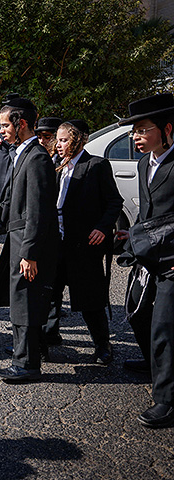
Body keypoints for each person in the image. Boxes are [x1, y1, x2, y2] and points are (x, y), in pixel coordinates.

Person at [0, 98, 58, 382]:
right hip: (18, 238)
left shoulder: (37, 157)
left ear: (21, 124)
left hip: (28, 243)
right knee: (19, 299)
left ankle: (26, 364)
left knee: (26, 300)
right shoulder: (22, 153)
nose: (1, 131)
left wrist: (30, 252)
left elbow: (38, 211)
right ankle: (23, 351)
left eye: (5, 125)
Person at [116, 93, 174, 428]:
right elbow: (148, 212)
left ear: (167, 129)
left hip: (172, 261)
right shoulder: (142, 164)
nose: (136, 137)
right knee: (137, 312)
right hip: (148, 254)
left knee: (165, 325)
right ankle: (155, 363)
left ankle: (166, 398)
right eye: (133, 131)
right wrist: (132, 235)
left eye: (142, 130)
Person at [44, 120, 122, 364]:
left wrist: (102, 227)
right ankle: (45, 339)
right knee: (50, 294)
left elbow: (114, 202)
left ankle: (102, 344)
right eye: (57, 139)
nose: (58, 144)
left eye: (64, 140)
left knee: (91, 299)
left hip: (83, 245)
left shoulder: (96, 165)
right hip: (56, 243)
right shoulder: (55, 165)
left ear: (77, 140)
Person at [0, 93, 19, 236]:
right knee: (0, 191)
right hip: (2, 157)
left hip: (12, 156)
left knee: (10, 191)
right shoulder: (1, 119)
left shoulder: (19, 121)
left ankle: (7, 222)